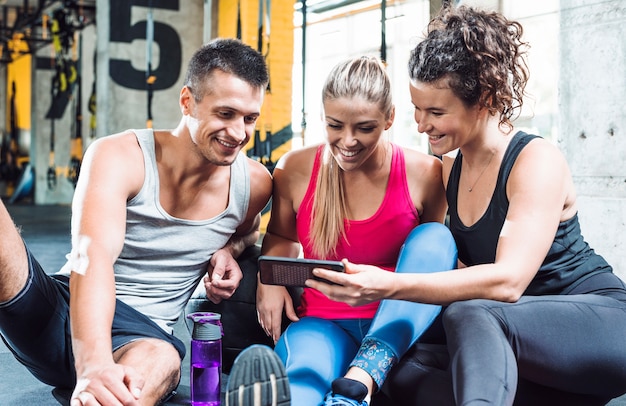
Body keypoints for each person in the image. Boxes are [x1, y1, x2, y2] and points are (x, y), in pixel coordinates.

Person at [305, 5, 626, 405]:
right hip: (518, 345)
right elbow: (450, 269)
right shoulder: (449, 169)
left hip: (598, 325)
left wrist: (389, 285)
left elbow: (508, 283)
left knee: (469, 312)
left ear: (485, 99)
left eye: (436, 112)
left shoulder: (535, 160)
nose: (421, 124)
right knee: (401, 365)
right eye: (418, 109)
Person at [0, 38, 272, 406]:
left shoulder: (254, 184)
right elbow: (91, 256)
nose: (239, 133)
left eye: (249, 118)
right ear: (187, 101)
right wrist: (94, 364)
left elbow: (248, 230)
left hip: (142, 339)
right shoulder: (120, 156)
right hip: (61, 308)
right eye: (225, 114)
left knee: (163, 359)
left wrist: (229, 248)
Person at [255, 56, 450, 406]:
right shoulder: (295, 169)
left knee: (436, 238)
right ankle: (346, 398)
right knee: (301, 389)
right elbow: (283, 238)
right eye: (335, 126)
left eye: (364, 128)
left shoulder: (425, 173)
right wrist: (267, 281)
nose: (348, 141)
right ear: (322, 118)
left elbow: (433, 261)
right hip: (323, 322)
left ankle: (366, 372)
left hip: (396, 324)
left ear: (389, 118)